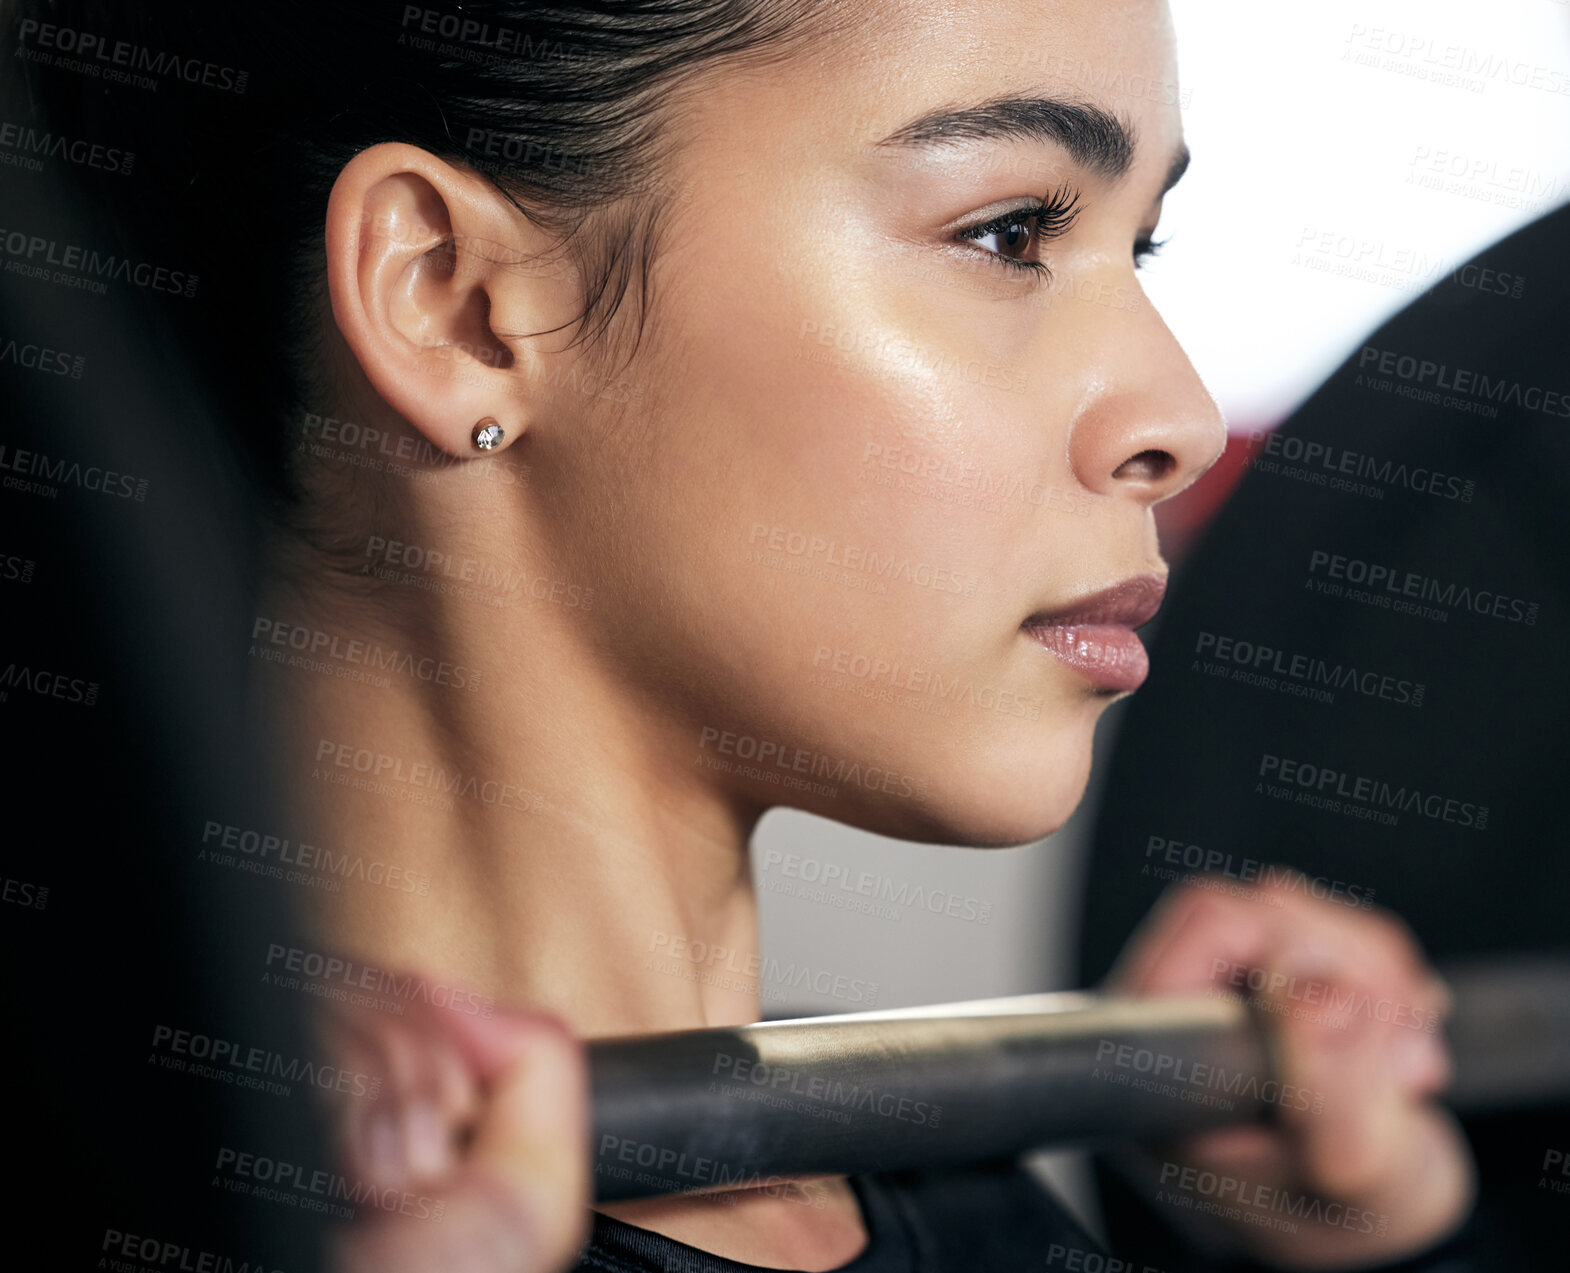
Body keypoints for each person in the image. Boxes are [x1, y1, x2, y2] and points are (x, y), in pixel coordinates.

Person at [8, 2, 1482, 1269]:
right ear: (453, 304)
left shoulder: (971, 1193)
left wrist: (1380, 1242)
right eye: (1009, 231)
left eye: (1138, 245)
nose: (1171, 416)